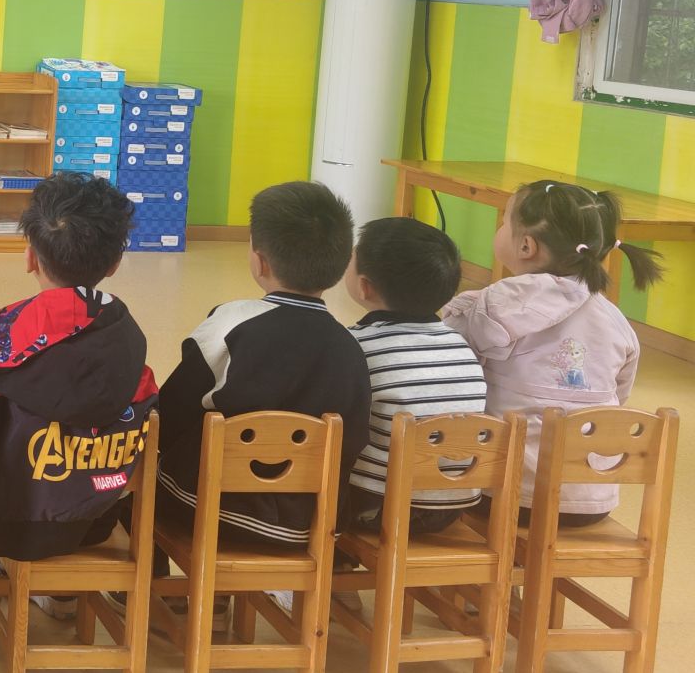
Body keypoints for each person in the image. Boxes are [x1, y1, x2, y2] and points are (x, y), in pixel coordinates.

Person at [155, 181, 370, 548]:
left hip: (204, 509)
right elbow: (352, 442)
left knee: (137, 490)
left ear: (260, 261)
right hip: (307, 525)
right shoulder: (350, 346)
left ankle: (161, 579)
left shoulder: (232, 321)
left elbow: (171, 412)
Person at [442, 180, 662, 525]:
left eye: (505, 221)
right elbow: (618, 397)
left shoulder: (492, 307)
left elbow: (448, 370)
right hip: (590, 501)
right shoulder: (616, 321)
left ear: (526, 246)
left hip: (501, 493)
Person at [0, 174, 157, 562]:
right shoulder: (131, 342)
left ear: (30, 257)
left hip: (7, 529)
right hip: (96, 523)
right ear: (115, 263)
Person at [344, 217, 488, 533]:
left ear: (364, 286)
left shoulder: (355, 344)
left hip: (380, 506)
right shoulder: (461, 345)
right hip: (452, 504)